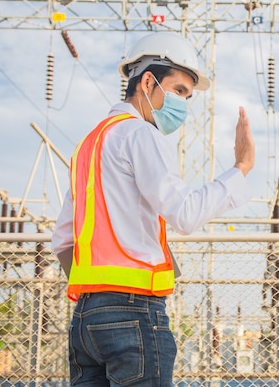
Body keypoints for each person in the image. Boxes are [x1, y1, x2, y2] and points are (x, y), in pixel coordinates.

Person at [51, 32, 255, 387]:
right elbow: (186, 214)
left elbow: (63, 242)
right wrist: (240, 169)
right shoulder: (139, 135)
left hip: (86, 316)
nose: (184, 104)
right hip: (133, 311)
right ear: (147, 81)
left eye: (188, 97)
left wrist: (101, 287)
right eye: (179, 91)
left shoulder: (87, 146)